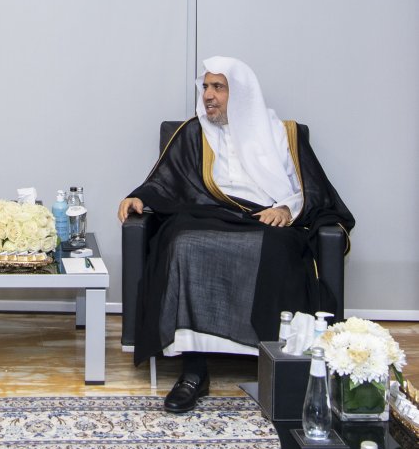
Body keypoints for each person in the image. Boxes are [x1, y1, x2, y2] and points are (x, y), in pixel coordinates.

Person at [117, 56, 354, 413]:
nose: (208, 95)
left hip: (265, 218)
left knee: (279, 248)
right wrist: (139, 196)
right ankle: (194, 370)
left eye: (218, 87)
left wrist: (286, 209)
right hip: (207, 215)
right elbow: (166, 181)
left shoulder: (282, 134)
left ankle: (278, 366)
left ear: (240, 93)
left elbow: (310, 190)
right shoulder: (194, 133)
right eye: (206, 87)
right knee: (183, 241)